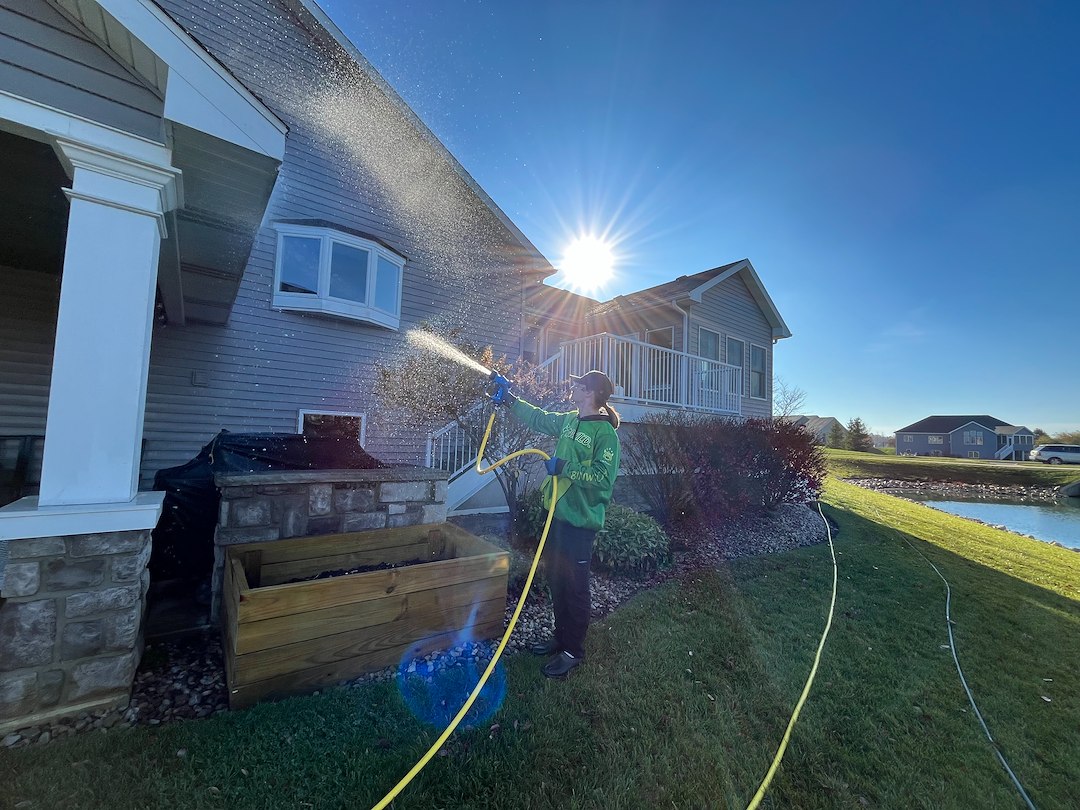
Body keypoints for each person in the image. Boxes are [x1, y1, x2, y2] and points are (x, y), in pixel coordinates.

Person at [495, 369, 621, 678]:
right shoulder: (568, 421)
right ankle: (560, 638)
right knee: (557, 580)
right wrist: (510, 400)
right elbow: (538, 418)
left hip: (581, 523)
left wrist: (564, 467)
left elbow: (603, 479)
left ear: (590, 392)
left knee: (575, 588)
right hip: (557, 518)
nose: (573, 386)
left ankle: (572, 651)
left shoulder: (606, 435)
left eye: (579, 384)